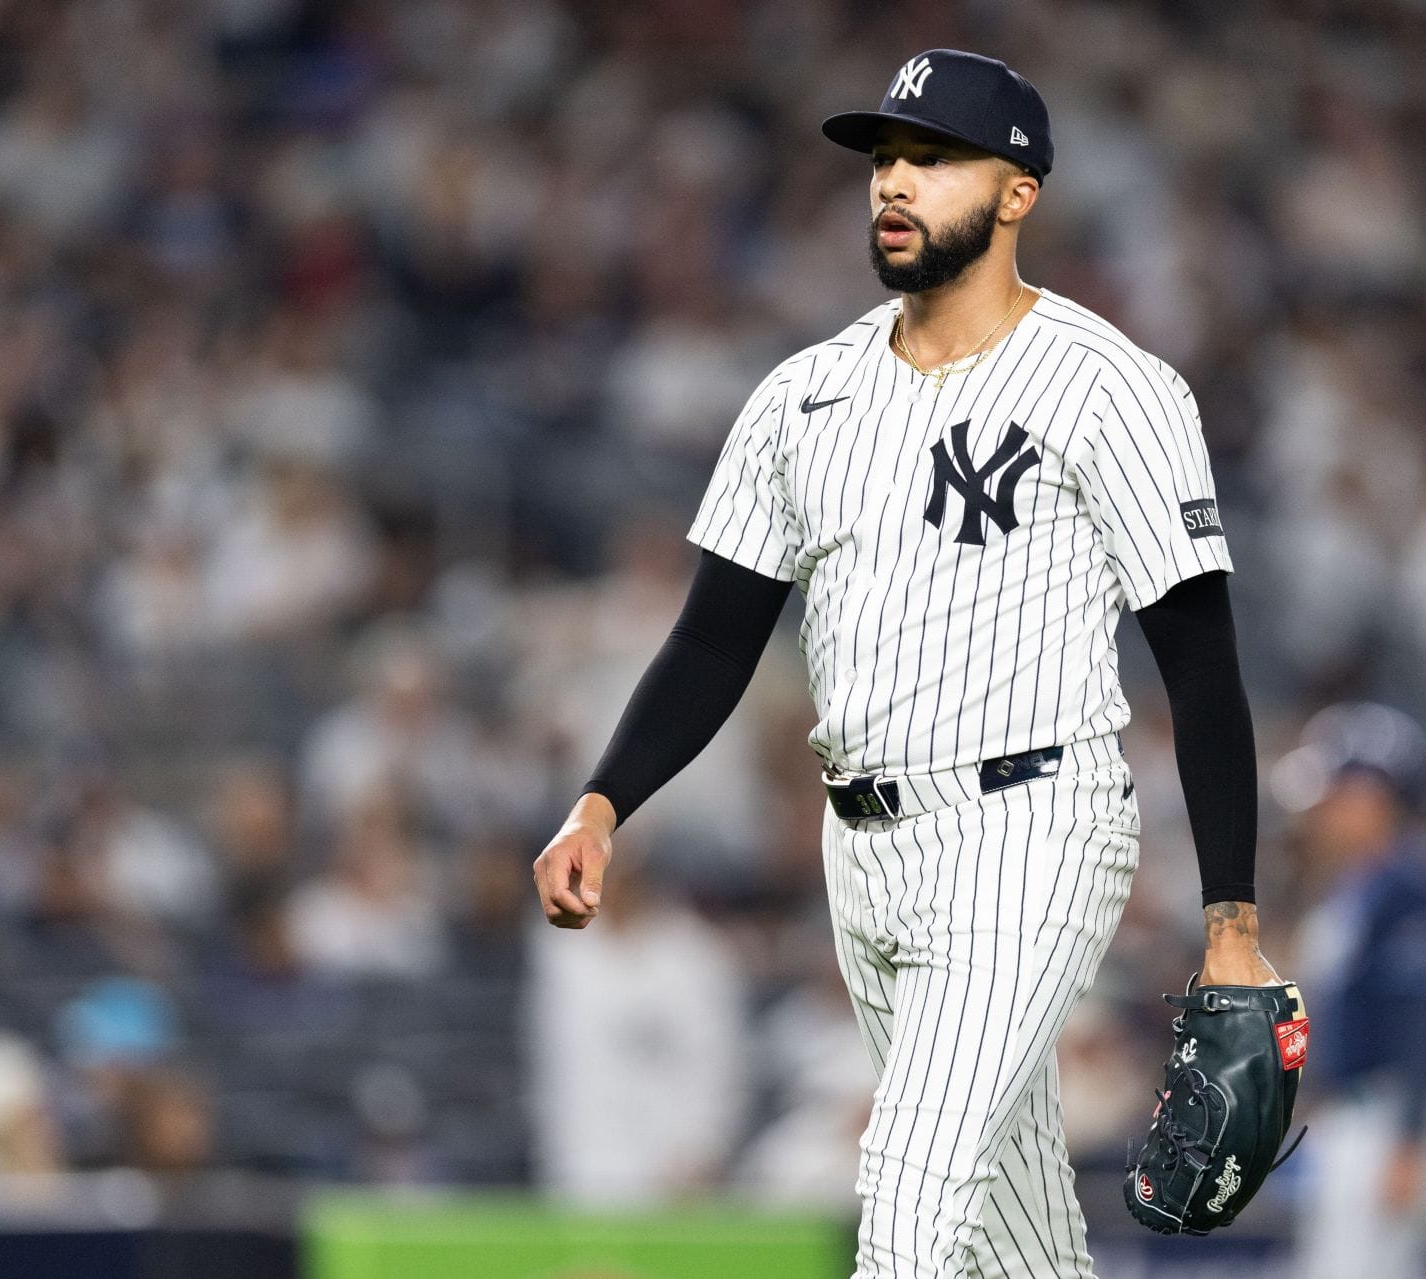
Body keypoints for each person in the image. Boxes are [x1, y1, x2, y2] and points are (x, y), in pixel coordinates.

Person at [532, 48, 1281, 1278]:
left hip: (1033, 821)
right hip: (863, 851)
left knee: (911, 1183)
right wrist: (604, 803)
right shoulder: (803, 395)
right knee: (1016, 1234)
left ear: (1018, 191)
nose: (894, 181)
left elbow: (1200, 662)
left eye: (933, 158)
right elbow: (716, 636)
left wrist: (1232, 920)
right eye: (884, 157)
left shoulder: (1113, 388)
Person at [1274, 702, 1426, 1279]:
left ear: (1376, 796)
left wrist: (1412, 1139)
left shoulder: (1411, 885)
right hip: (1357, 1111)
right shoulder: (1358, 886)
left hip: (1394, 1112)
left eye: (1337, 793)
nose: (1323, 811)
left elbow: (1424, 1017)